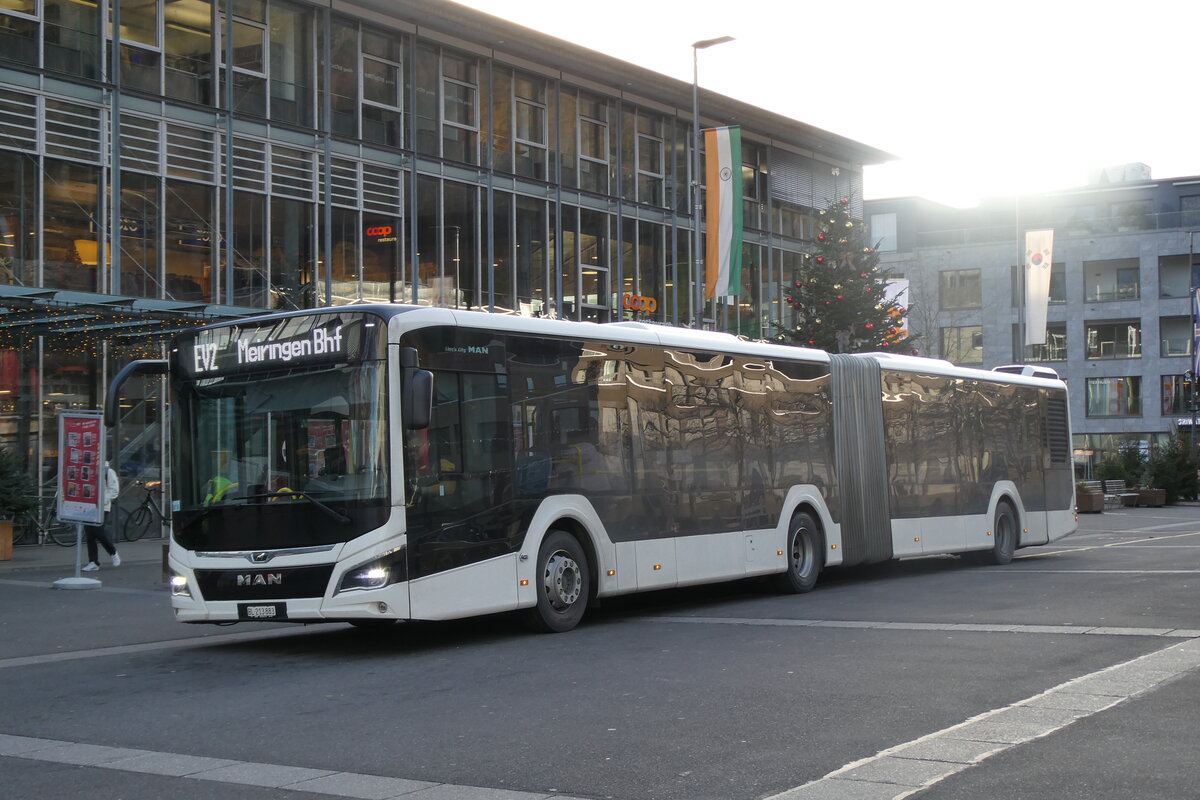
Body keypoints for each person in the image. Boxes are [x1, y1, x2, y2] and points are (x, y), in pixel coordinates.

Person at [82, 462, 120, 571]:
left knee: (99, 532)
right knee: (90, 534)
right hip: (88, 506)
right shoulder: (86, 468)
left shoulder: (107, 471)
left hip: (102, 507)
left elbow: (114, 490)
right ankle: (93, 562)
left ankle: (112, 552)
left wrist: (103, 500)